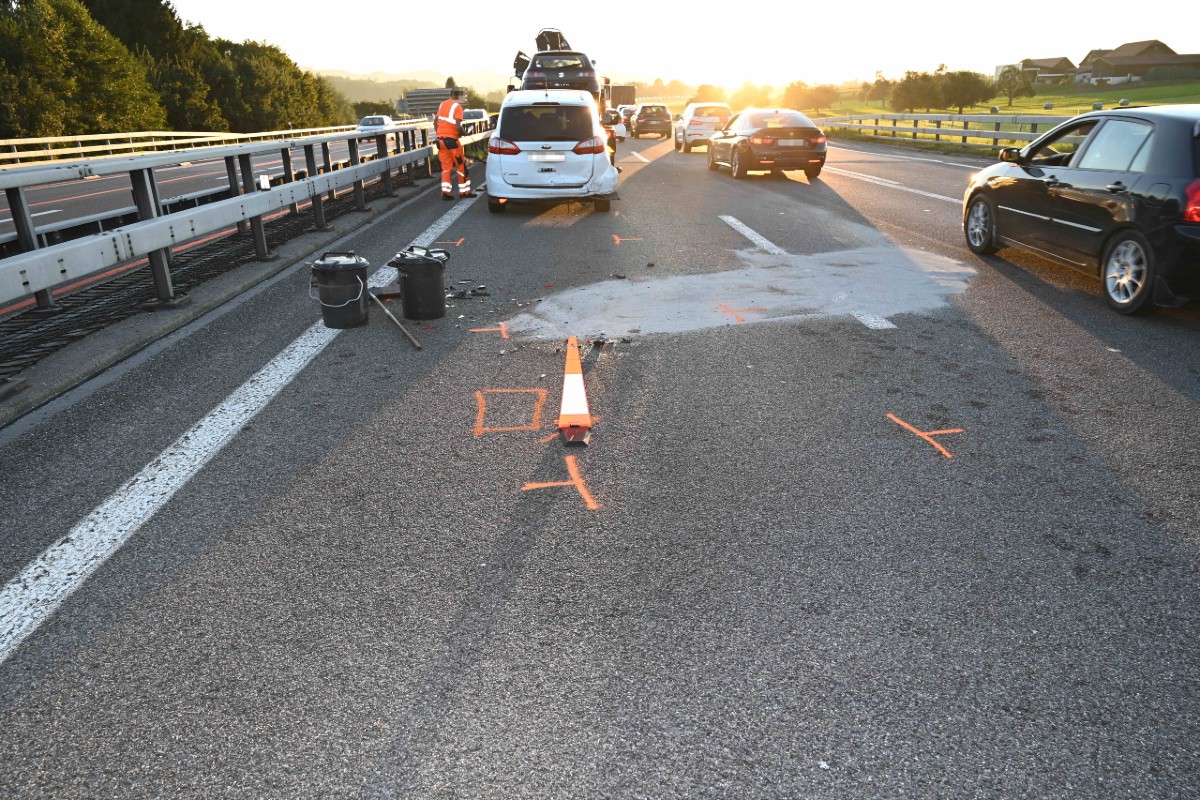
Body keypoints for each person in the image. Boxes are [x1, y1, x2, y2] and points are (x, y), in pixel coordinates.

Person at [434, 88, 473, 201]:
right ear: (458, 96)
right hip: (452, 142)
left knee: (446, 168)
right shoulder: (458, 107)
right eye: (463, 96)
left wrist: (439, 133)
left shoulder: (442, 104)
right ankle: (464, 192)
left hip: (440, 141)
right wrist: (465, 133)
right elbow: (457, 126)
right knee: (461, 166)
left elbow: (435, 122)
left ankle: (445, 193)